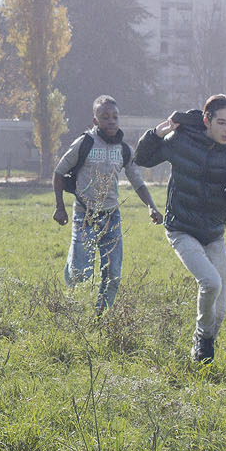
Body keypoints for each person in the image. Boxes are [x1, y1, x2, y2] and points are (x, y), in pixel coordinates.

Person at [134, 95, 226, 363]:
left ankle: (203, 352)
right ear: (206, 120)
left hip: (214, 234)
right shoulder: (181, 141)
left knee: (219, 313)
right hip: (181, 229)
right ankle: (202, 339)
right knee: (210, 283)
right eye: (221, 122)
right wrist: (155, 133)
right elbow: (143, 158)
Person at [52, 95, 162, 311]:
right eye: (105, 117)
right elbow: (58, 172)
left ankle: (101, 315)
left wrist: (151, 206)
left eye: (114, 117)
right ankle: (75, 304)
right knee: (81, 271)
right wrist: (59, 206)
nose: (111, 121)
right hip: (85, 214)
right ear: (95, 121)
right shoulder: (85, 143)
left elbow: (137, 181)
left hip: (111, 216)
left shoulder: (124, 149)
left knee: (113, 272)